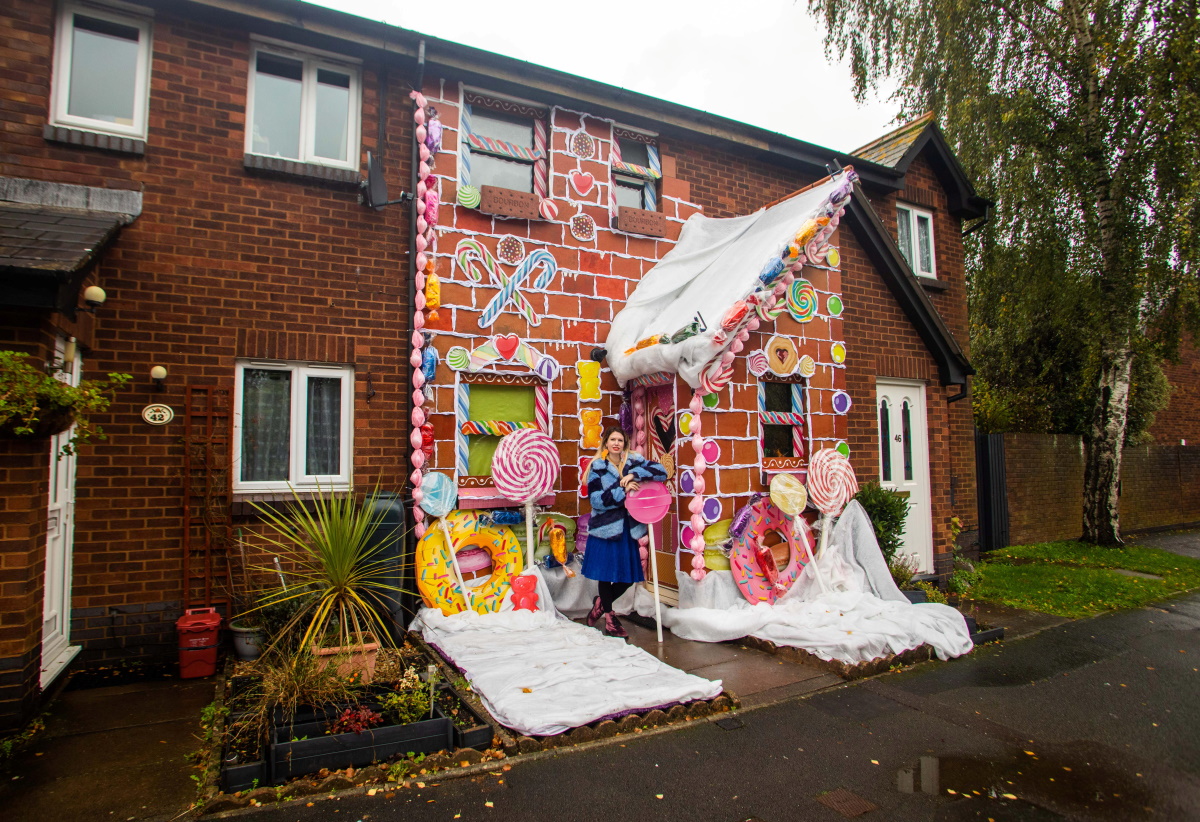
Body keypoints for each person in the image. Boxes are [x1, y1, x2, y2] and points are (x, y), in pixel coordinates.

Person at [581, 426, 668, 637]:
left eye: (620, 440)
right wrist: (622, 490)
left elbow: (661, 472)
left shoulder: (633, 461)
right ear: (606, 443)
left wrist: (634, 475)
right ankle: (610, 619)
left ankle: (601, 604)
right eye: (612, 440)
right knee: (605, 575)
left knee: (627, 578)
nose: (616, 443)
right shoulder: (598, 467)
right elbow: (596, 500)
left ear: (625, 443)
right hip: (605, 529)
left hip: (628, 529)